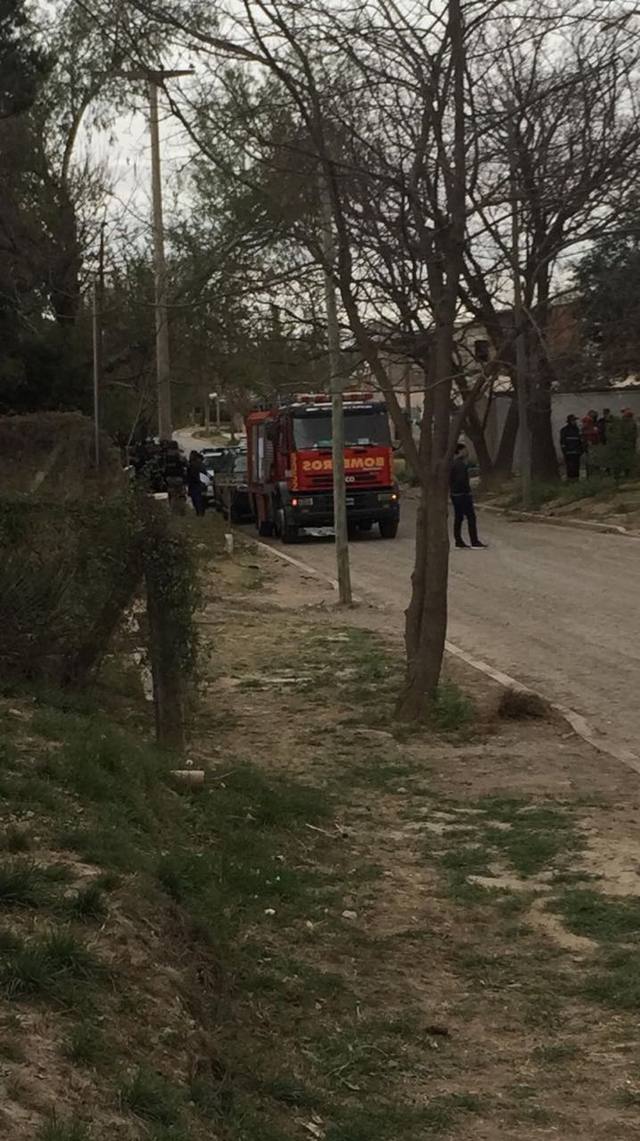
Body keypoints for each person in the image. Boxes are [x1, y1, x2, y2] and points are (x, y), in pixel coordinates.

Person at [449, 443, 486, 549]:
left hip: (455, 494)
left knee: (459, 518)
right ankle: (474, 541)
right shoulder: (460, 465)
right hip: (462, 495)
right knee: (471, 517)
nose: (467, 452)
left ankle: (459, 541)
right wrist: (467, 491)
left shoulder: (453, 463)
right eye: (465, 450)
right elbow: (461, 480)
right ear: (460, 451)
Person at [560, 414, 582, 480]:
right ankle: (570, 480)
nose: (575, 422)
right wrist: (564, 451)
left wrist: (580, 450)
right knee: (570, 467)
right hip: (569, 452)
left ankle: (576, 480)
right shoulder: (564, 430)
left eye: (575, 420)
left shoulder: (577, 429)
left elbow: (579, 441)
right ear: (569, 421)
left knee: (576, 467)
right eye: (573, 420)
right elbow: (562, 442)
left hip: (576, 452)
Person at [187, 450, 206, 517]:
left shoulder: (196, 465)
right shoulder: (195, 464)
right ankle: (199, 513)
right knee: (197, 500)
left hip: (196, 484)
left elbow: (191, 475)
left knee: (197, 500)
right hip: (195, 484)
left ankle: (200, 513)